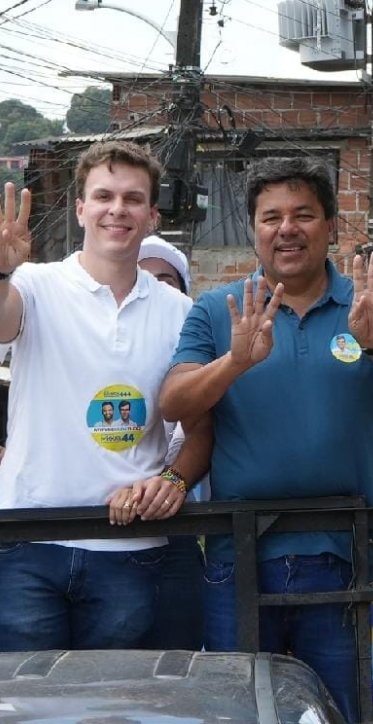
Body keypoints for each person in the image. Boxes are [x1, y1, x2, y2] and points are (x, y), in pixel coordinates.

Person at [159, 156, 373, 722]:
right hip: (239, 554)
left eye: (303, 214)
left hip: (339, 552)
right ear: (254, 228)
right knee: (240, 711)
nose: (287, 229)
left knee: (337, 710)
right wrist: (234, 362)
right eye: (271, 217)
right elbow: (174, 403)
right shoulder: (219, 309)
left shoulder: (367, 302)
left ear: (329, 225)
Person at [0, 140, 210, 651]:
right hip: (27, 539)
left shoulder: (180, 310)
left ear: (152, 215)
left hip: (130, 546)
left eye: (133, 199)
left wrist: (174, 479)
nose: (118, 209)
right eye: (104, 196)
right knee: (26, 694)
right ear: (80, 208)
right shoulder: (35, 284)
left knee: (115, 693)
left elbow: (200, 425)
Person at [136, 234, 208, 651]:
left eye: (165, 280)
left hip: (175, 534)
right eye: (142, 278)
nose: (152, 289)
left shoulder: (199, 363)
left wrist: (173, 482)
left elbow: (203, 435)